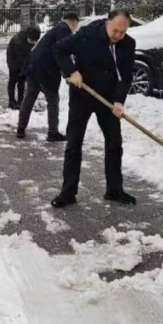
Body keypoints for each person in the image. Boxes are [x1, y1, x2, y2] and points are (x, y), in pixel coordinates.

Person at [50, 10, 136, 208]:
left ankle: (114, 190)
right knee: (74, 144)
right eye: (115, 30)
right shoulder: (87, 34)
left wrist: (119, 101)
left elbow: (126, 75)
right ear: (107, 23)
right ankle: (68, 192)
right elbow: (59, 49)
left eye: (123, 32)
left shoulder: (128, 44)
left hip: (107, 98)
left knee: (114, 144)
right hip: (82, 95)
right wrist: (72, 71)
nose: (118, 36)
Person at [17, 11, 80, 141]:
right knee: (53, 102)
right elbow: (62, 53)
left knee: (29, 99)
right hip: (46, 71)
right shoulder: (64, 30)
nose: (75, 29)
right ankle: (52, 132)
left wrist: (66, 72)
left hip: (33, 67)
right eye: (76, 26)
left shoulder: (56, 29)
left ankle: (20, 129)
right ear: (73, 22)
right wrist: (70, 72)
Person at [5, 25, 41, 109]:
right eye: (32, 41)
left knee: (21, 81)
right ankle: (11, 101)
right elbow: (21, 59)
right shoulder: (19, 41)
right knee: (13, 80)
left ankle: (20, 101)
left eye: (35, 41)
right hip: (13, 59)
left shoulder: (34, 33)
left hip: (23, 58)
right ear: (28, 37)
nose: (34, 43)